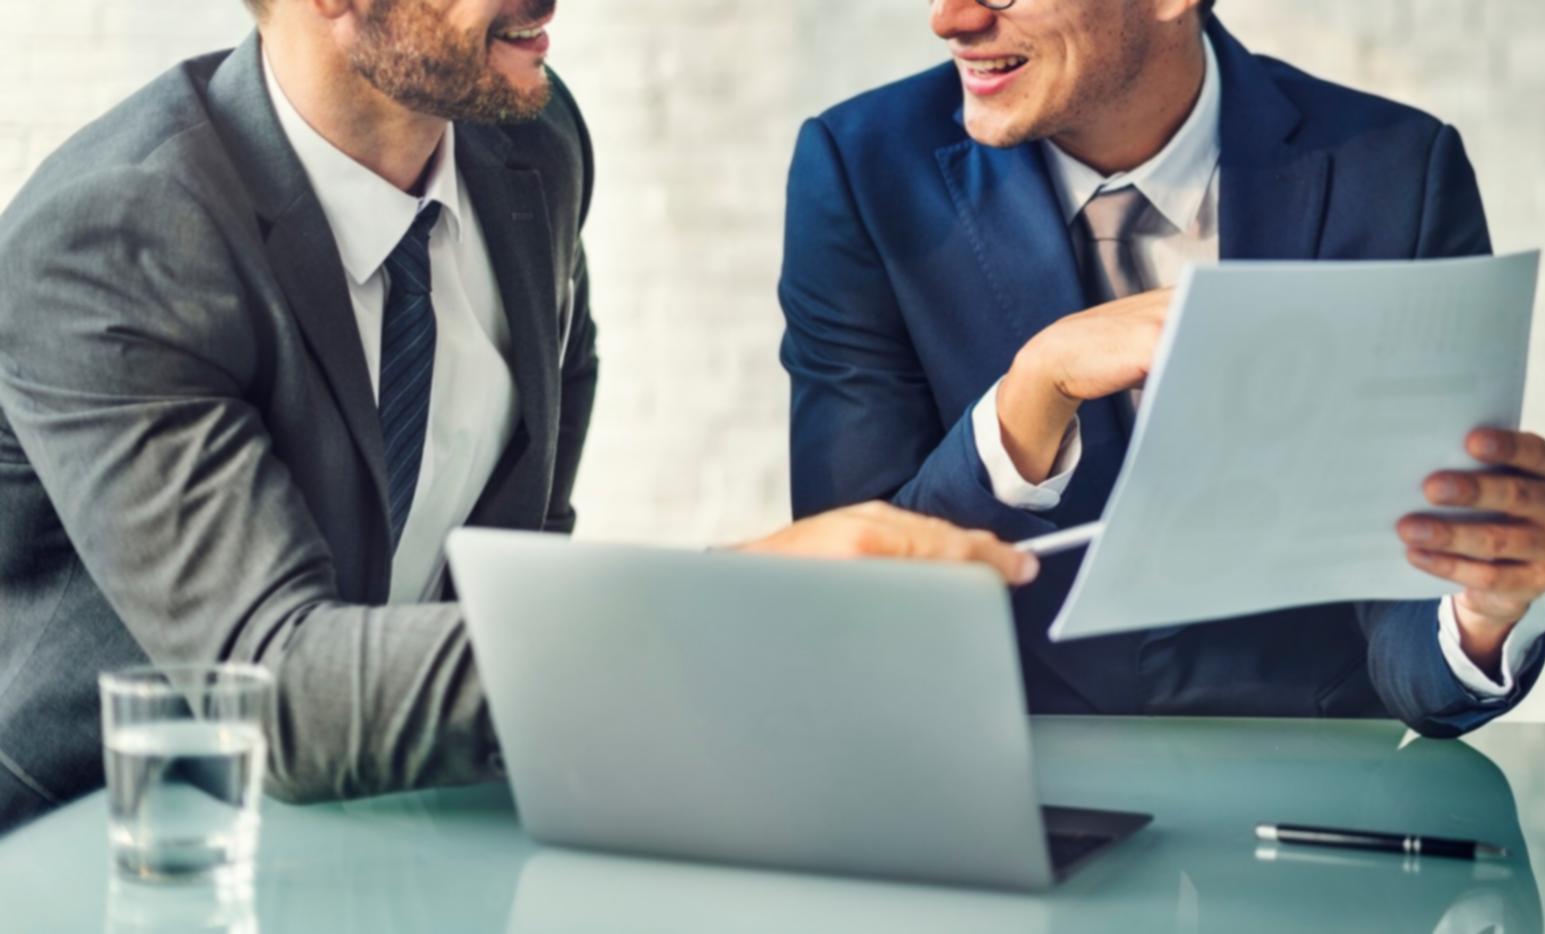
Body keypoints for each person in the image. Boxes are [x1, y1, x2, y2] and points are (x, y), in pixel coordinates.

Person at [0, 0, 1039, 833]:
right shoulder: (120, 234)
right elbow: (280, 692)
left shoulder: (531, 142)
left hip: (401, 813)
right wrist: (732, 604)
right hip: (113, 847)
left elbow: (521, 538)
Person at [779, 0, 1545, 729]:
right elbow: (851, 599)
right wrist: (1034, 390)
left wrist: (1481, 612)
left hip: (1307, 791)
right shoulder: (859, 171)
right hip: (991, 772)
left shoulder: (1398, 170)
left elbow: (1407, 588)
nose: (949, 17)